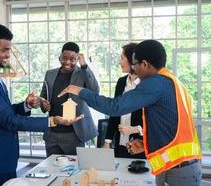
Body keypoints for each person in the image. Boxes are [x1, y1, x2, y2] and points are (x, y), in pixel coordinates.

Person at [58, 40, 202, 186]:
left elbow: (114, 107)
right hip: (181, 164)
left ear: (145, 64)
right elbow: (168, 124)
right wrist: (145, 143)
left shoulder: (156, 83)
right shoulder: (172, 81)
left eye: (135, 64)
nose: (134, 69)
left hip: (178, 169)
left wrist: (79, 90)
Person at [0, 24, 83, 186]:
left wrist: (25, 106)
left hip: (0, 159)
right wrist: (52, 121)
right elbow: (8, 119)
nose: (8, 55)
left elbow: (2, 112)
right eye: (4, 50)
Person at [39, 42, 99, 156]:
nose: (67, 62)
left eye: (72, 59)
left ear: (77, 59)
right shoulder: (50, 74)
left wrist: (84, 66)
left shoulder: (83, 73)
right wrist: (43, 105)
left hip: (74, 133)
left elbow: (95, 91)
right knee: (52, 168)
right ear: (59, 57)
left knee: (75, 170)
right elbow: (44, 95)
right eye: (64, 58)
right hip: (52, 132)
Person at [103, 43, 145, 159]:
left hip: (139, 147)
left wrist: (135, 129)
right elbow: (114, 111)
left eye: (122, 58)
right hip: (120, 145)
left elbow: (154, 120)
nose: (119, 62)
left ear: (132, 61)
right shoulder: (121, 82)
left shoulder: (147, 84)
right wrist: (107, 141)